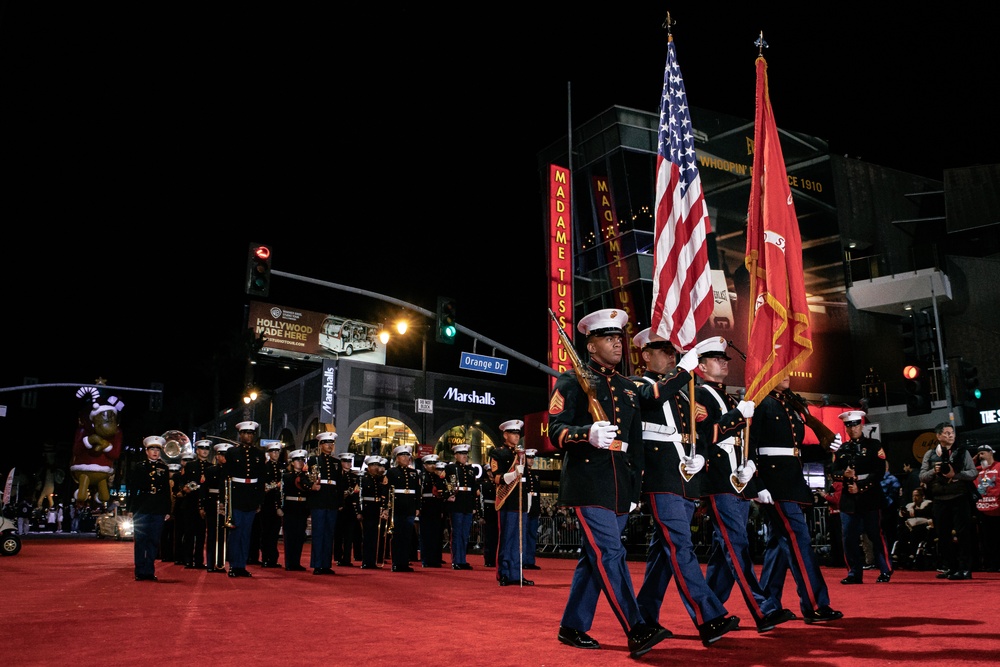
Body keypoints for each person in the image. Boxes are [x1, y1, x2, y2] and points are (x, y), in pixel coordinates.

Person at [547, 307, 670, 659]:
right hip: (587, 481)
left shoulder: (627, 388)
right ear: (591, 346)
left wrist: (634, 491)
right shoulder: (572, 381)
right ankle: (636, 626)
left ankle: (572, 626)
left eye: (619, 338)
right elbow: (555, 430)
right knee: (610, 553)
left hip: (619, 484)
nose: (617, 343)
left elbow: (636, 446)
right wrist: (586, 432)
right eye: (609, 338)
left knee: (594, 557)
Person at [629, 327, 742, 646]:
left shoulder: (681, 391)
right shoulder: (640, 384)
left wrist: (700, 456)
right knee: (680, 545)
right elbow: (650, 399)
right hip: (659, 473)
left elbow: (699, 429)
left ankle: (644, 615)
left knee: (663, 552)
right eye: (664, 350)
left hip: (683, 473)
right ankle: (708, 617)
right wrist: (682, 371)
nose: (671, 355)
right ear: (646, 355)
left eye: (673, 350)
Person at [694, 337, 794, 632]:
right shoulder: (700, 395)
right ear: (701, 366)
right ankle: (764, 609)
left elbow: (742, 444)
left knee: (725, 553)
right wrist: (738, 416)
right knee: (736, 546)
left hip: (738, 482)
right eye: (716, 359)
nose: (724, 362)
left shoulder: (729, 398)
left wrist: (753, 475)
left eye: (724, 358)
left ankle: (711, 612)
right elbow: (705, 435)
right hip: (718, 481)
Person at [750, 375, 844, 626]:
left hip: (792, 479)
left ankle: (768, 604)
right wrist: (757, 483)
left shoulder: (791, 404)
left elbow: (796, 447)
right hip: (774, 481)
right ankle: (815, 605)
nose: (787, 375)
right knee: (798, 540)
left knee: (779, 545)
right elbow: (749, 446)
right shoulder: (760, 402)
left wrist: (827, 446)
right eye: (780, 370)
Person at [832, 410, 892, 584]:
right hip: (849, 499)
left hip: (870, 496)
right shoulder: (843, 449)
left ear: (861, 425)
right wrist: (844, 474)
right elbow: (833, 471)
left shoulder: (874, 445)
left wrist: (861, 486)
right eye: (849, 426)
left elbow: (880, 471)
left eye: (855, 425)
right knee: (849, 538)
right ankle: (854, 573)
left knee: (875, 535)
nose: (852, 429)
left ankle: (885, 569)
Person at [920, 422, 977, 580]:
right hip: (939, 499)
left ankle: (965, 569)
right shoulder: (930, 454)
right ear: (938, 436)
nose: (950, 435)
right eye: (946, 433)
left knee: (963, 534)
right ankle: (950, 567)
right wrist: (934, 470)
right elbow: (922, 476)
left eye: (952, 432)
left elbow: (973, 473)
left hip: (960, 498)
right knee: (943, 535)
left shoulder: (962, 452)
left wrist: (956, 475)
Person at [223, 420, 266, 578]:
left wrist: (259, 500)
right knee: (236, 532)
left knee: (246, 533)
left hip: (251, 496)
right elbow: (226, 477)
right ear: (240, 435)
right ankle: (234, 565)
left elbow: (261, 479)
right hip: (237, 495)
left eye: (251, 433)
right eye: (246, 433)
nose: (248, 436)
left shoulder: (259, 454)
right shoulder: (232, 452)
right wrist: (225, 500)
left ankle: (242, 565)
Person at [492, 419, 533, 587]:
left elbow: (527, 480)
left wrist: (529, 498)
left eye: (518, 434)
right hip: (507, 501)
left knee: (519, 541)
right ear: (505, 434)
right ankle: (504, 572)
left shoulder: (521, 455)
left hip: (520, 501)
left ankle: (517, 573)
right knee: (507, 539)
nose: (517, 437)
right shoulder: (498, 453)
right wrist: (513, 474)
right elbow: (496, 477)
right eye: (513, 434)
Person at [129, 435, 171, 581]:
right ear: (146, 451)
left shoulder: (164, 468)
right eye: (152, 449)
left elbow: (166, 490)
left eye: (157, 450)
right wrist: (130, 508)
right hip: (142, 506)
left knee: (153, 540)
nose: (155, 452)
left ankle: (149, 570)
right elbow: (133, 489)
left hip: (158, 507)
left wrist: (167, 510)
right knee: (141, 540)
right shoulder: (139, 467)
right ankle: (140, 571)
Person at [307, 431, 343, 575]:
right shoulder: (313, 461)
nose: (330, 446)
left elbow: (340, 484)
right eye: (327, 443)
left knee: (329, 533)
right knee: (318, 533)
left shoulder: (336, 463)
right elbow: (308, 479)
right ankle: (317, 564)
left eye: (331, 443)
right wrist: (312, 487)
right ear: (321, 445)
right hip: (319, 500)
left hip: (332, 500)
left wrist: (340, 501)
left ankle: (326, 564)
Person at [385, 445, 420, 572]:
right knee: (397, 536)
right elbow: (387, 490)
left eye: (407, 456)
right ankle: (396, 562)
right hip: (397, 506)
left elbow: (417, 492)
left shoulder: (414, 473)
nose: (406, 458)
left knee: (407, 536)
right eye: (402, 455)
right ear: (397, 458)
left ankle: (404, 562)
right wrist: (386, 507)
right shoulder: (392, 472)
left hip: (410, 506)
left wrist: (417, 507)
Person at [445, 442, 479, 570]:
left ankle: (462, 559)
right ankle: (456, 560)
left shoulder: (470, 470)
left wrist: (475, 505)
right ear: (456, 455)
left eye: (466, 454)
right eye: (462, 454)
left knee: (465, 534)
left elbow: (474, 488)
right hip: (457, 503)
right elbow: (445, 483)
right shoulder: (450, 468)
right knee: (457, 533)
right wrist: (448, 495)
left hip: (467, 504)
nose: (465, 456)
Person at [179, 439, 212, 569]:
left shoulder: (211, 466)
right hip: (191, 503)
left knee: (201, 534)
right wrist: (184, 489)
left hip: (205, 504)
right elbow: (182, 481)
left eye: (207, 449)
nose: (204, 451)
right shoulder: (190, 466)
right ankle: (188, 559)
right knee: (189, 533)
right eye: (202, 449)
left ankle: (198, 560)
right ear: (197, 451)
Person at [281, 448, 311, 571]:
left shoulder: (307, 477)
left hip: (302, 508)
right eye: (297, 460)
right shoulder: (287, 476)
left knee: (299, 536)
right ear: (292, 462)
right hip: (290, 508)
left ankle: (296, 562)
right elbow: (282, 493)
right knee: (289, 536)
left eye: (302, 460)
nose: (300, 462)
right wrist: (280, 507)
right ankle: (289, 563)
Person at [204, 443, 230, 573]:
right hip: (212, 504)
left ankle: (222, 562)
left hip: (227, 505)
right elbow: (204, 489)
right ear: (217, 456)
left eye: (226, 455)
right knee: (212, 535)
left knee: (226, 535)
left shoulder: (231, 471)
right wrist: (202, 506)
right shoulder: (210, 470)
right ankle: (210, 563)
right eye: (221, 455)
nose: (224, 458)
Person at [359, 455, 388, 569]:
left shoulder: (381, 479)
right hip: (367, 509)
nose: (376, 468)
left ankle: (375, 560)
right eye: (373, 465)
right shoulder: (363, 479)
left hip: (378, 508)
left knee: (377, 536)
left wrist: (384, 508)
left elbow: (385, 494)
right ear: (369, 467)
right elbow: (359, 496)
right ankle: (366, 560)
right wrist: (359, 511)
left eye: (377, 465)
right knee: (368, 536)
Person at [893, 487, 935, 569]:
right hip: (909, 527)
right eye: (913, 496)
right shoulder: (909, 506)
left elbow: (925, 513)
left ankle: (912, 554)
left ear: (922, 496)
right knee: (903, 530)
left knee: (915, 531)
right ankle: (898, 554)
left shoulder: (928, 504)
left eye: (917, 496)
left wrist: (910, 514)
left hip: (925, 528)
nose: (914, 498)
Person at [974, 444, 1000, 572]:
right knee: (987, 539)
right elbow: (962, 470)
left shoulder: (999, 466)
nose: (980, 456)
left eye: (983, 453)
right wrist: (974, 459)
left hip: (997, 508)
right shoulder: (977, 469)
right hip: (982, 509)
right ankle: (991, 564)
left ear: (991, 453)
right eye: (979, 454)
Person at [418, 454, 446, 568]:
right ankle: (426, 559)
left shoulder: (438, 477)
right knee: (426, 534)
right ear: (424, 465)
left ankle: (435, 558)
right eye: (430, 464)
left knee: (436, 534)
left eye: (434, 463)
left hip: (436, 507)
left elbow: (443, 492)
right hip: (426, 507)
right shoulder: (422, 477)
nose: (432, 466)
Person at [259, 440, 284, 569]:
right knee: (266, 533)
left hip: (278, 503)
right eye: (273, 451)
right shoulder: (264, 467)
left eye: (277, 451)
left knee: (274, 534)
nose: (276, 454)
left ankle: (273, 558)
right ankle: (265, 558)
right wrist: (274, 486)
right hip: (267, 504)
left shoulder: (282, 468)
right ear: (269, 453)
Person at [334, 452, 360, 567]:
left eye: (349, 461)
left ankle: (347, 558)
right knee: (338, 534)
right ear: (341, 462)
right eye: (345, 461)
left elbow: (356, 495)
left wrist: (357, 510)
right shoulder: (337, 475)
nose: (348, 464)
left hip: (350, 509)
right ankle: (339, 556)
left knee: (349, 535)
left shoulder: (354, 476)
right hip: (339, 508)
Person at [522, 449, 542, 570]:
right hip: (525, 506)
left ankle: (530, 560)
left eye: (532, 458)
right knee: (524, 535)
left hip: (533, 507)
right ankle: (524, 559)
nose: (531, 460)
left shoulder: (535, 474)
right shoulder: (522, 472)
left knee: (532, 535)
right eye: (529, 458)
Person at [479, 454, 498, 568]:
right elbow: (481, 500)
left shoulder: (498, 483)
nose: (491, 473)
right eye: (490, 471)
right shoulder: (484, 484)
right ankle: (488, 559)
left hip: (496, 512)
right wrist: (482, 515)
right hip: (488, 512)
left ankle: (495, 559)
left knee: (496, 537)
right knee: (489, 538)